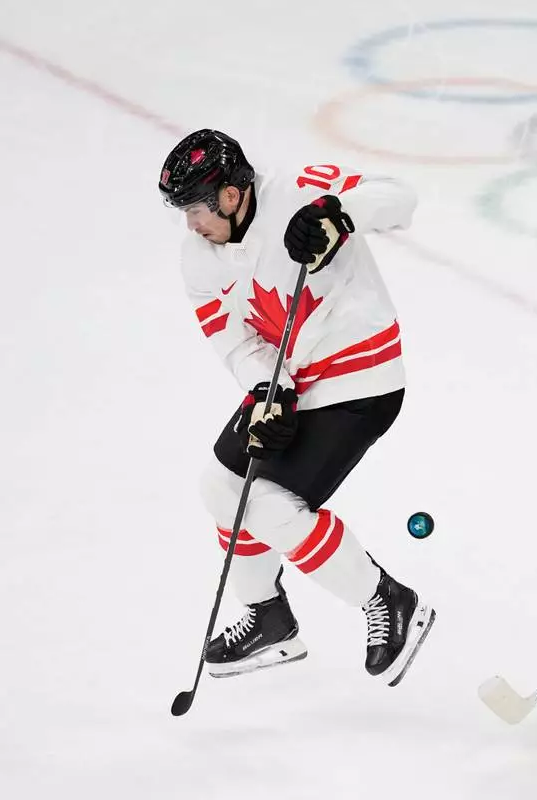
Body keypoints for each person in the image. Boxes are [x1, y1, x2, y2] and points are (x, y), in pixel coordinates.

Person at [158, 129, 434, 686]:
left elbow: (401, 197)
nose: (191, 223)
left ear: (230, 196)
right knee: (220, 486)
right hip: (296, 382)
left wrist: (340, 212)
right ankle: (269, 617)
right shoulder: (198, 258)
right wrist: (268, 390)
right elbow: (234, 341)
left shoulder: (300, 190)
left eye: (195, 209)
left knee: (266, 503)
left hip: (361, 378)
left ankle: (389, 601)